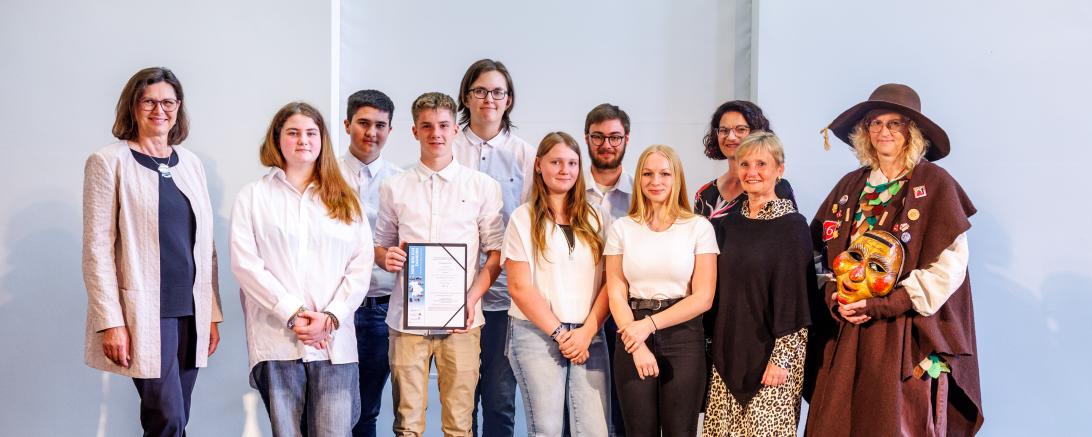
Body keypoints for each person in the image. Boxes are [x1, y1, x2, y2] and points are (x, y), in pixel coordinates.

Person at [805, 83, 983, 436]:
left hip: (905, 333)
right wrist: (835, 297)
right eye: (875, 123)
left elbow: (948, 269)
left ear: (911, 132)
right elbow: (816, 254)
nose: (883, 131)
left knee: (897, 422)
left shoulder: (935, 184)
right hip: (848, 329)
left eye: (894, 124)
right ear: (865, 132)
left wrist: (887, 303)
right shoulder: (849, 186)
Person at [83, 66, 223, 437]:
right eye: (149, 101)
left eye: (168, 101)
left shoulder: (190, 164)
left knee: (177, 416)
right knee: (168, 416)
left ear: (178, 107)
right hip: (143, 311)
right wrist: (110, 321)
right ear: (133, 106)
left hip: (191, 309)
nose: (159, 109)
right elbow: (97, 249)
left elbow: (205, 247)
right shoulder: (108, 161)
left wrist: (211, 312)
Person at [230, 102, 373, 436]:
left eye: (311, 133)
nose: (303, 140)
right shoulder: (253, 197)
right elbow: (246, 265)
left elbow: (360, 264)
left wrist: (331, 317)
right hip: (278, 339)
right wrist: (293, 314)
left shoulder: (345, 199)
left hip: (332, 342)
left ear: (322, 140)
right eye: (293, 132)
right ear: (277, 139)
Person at [375, 92, 505, 437]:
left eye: (444, 125)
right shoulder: (393, 187)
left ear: (456, 131)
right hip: (406, 322)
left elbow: (495, 254)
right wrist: (385, 257)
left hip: (462, 321)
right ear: (414, 131)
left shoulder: (482, 187)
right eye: (427, 126)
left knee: (459, 425)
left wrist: (470, 300)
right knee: (407, 425)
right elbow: (380, 245)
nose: (436, 133)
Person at [701, 132, 813, 436]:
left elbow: (797, 301)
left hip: (774, 361)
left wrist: (781, 359)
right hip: (728, 355)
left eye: (761, 164)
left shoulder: (792, 226)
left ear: (780, 170)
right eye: (745, 164)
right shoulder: (728, 225)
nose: (752, 172)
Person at [604, 145, 718, 437]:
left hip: (682, 335)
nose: (656, 181)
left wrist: (649, 326)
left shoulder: (698, 227)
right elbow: (616, 292)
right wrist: (637, 341)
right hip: (631, 334)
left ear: (676, 177)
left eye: (664, 174)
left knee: (680, 432)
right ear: (639, 179)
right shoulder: (622, 228)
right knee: (638, 431)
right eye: (648, 173)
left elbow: (703, 297)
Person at [504, 132, 612, 437]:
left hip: (589, 334)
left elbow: (610, 283)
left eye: (572, 163)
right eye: (556, 162)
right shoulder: (522, 219)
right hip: (536, 335)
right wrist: (561, 335)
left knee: (593, 430)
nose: (564, 170)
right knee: (547, 430)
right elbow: (520, 287)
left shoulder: (598, 217)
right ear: (539, 165)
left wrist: (586, 332)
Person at [451, 59, 534, 437]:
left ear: (509, 100)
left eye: (497, 92)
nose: (489, 99)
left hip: (503, 299)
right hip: (451, 297)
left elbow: (533, 223)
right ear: (466, 97)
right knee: (459, 401)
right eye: (480, 90)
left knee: (501, 402)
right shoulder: (447, 145)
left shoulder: (525, 155)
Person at [339, 89, 404, 437]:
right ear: (347, 124)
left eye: (380, 125)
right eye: (363, 123)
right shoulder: (326, 176)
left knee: (366, 411)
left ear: (390, 130)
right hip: (336, 313)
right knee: (329, 409)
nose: (371, 132)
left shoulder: (400, 181)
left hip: (380, 309)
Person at [582, 103, 633, 436]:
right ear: (587, 138)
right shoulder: (566, 185)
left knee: (623, 405)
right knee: (581, 408)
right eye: (598, 136)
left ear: (626, 139)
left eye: (615, 137)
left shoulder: (643, 191)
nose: (606, 144)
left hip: (625, 312)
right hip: (575, 306)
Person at [694, 100, 795, 219]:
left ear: (756, 132)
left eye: (741, 129)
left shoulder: (777, 187)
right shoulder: (704, 194)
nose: (731, 137)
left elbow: (788, 229)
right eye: (724, 130)